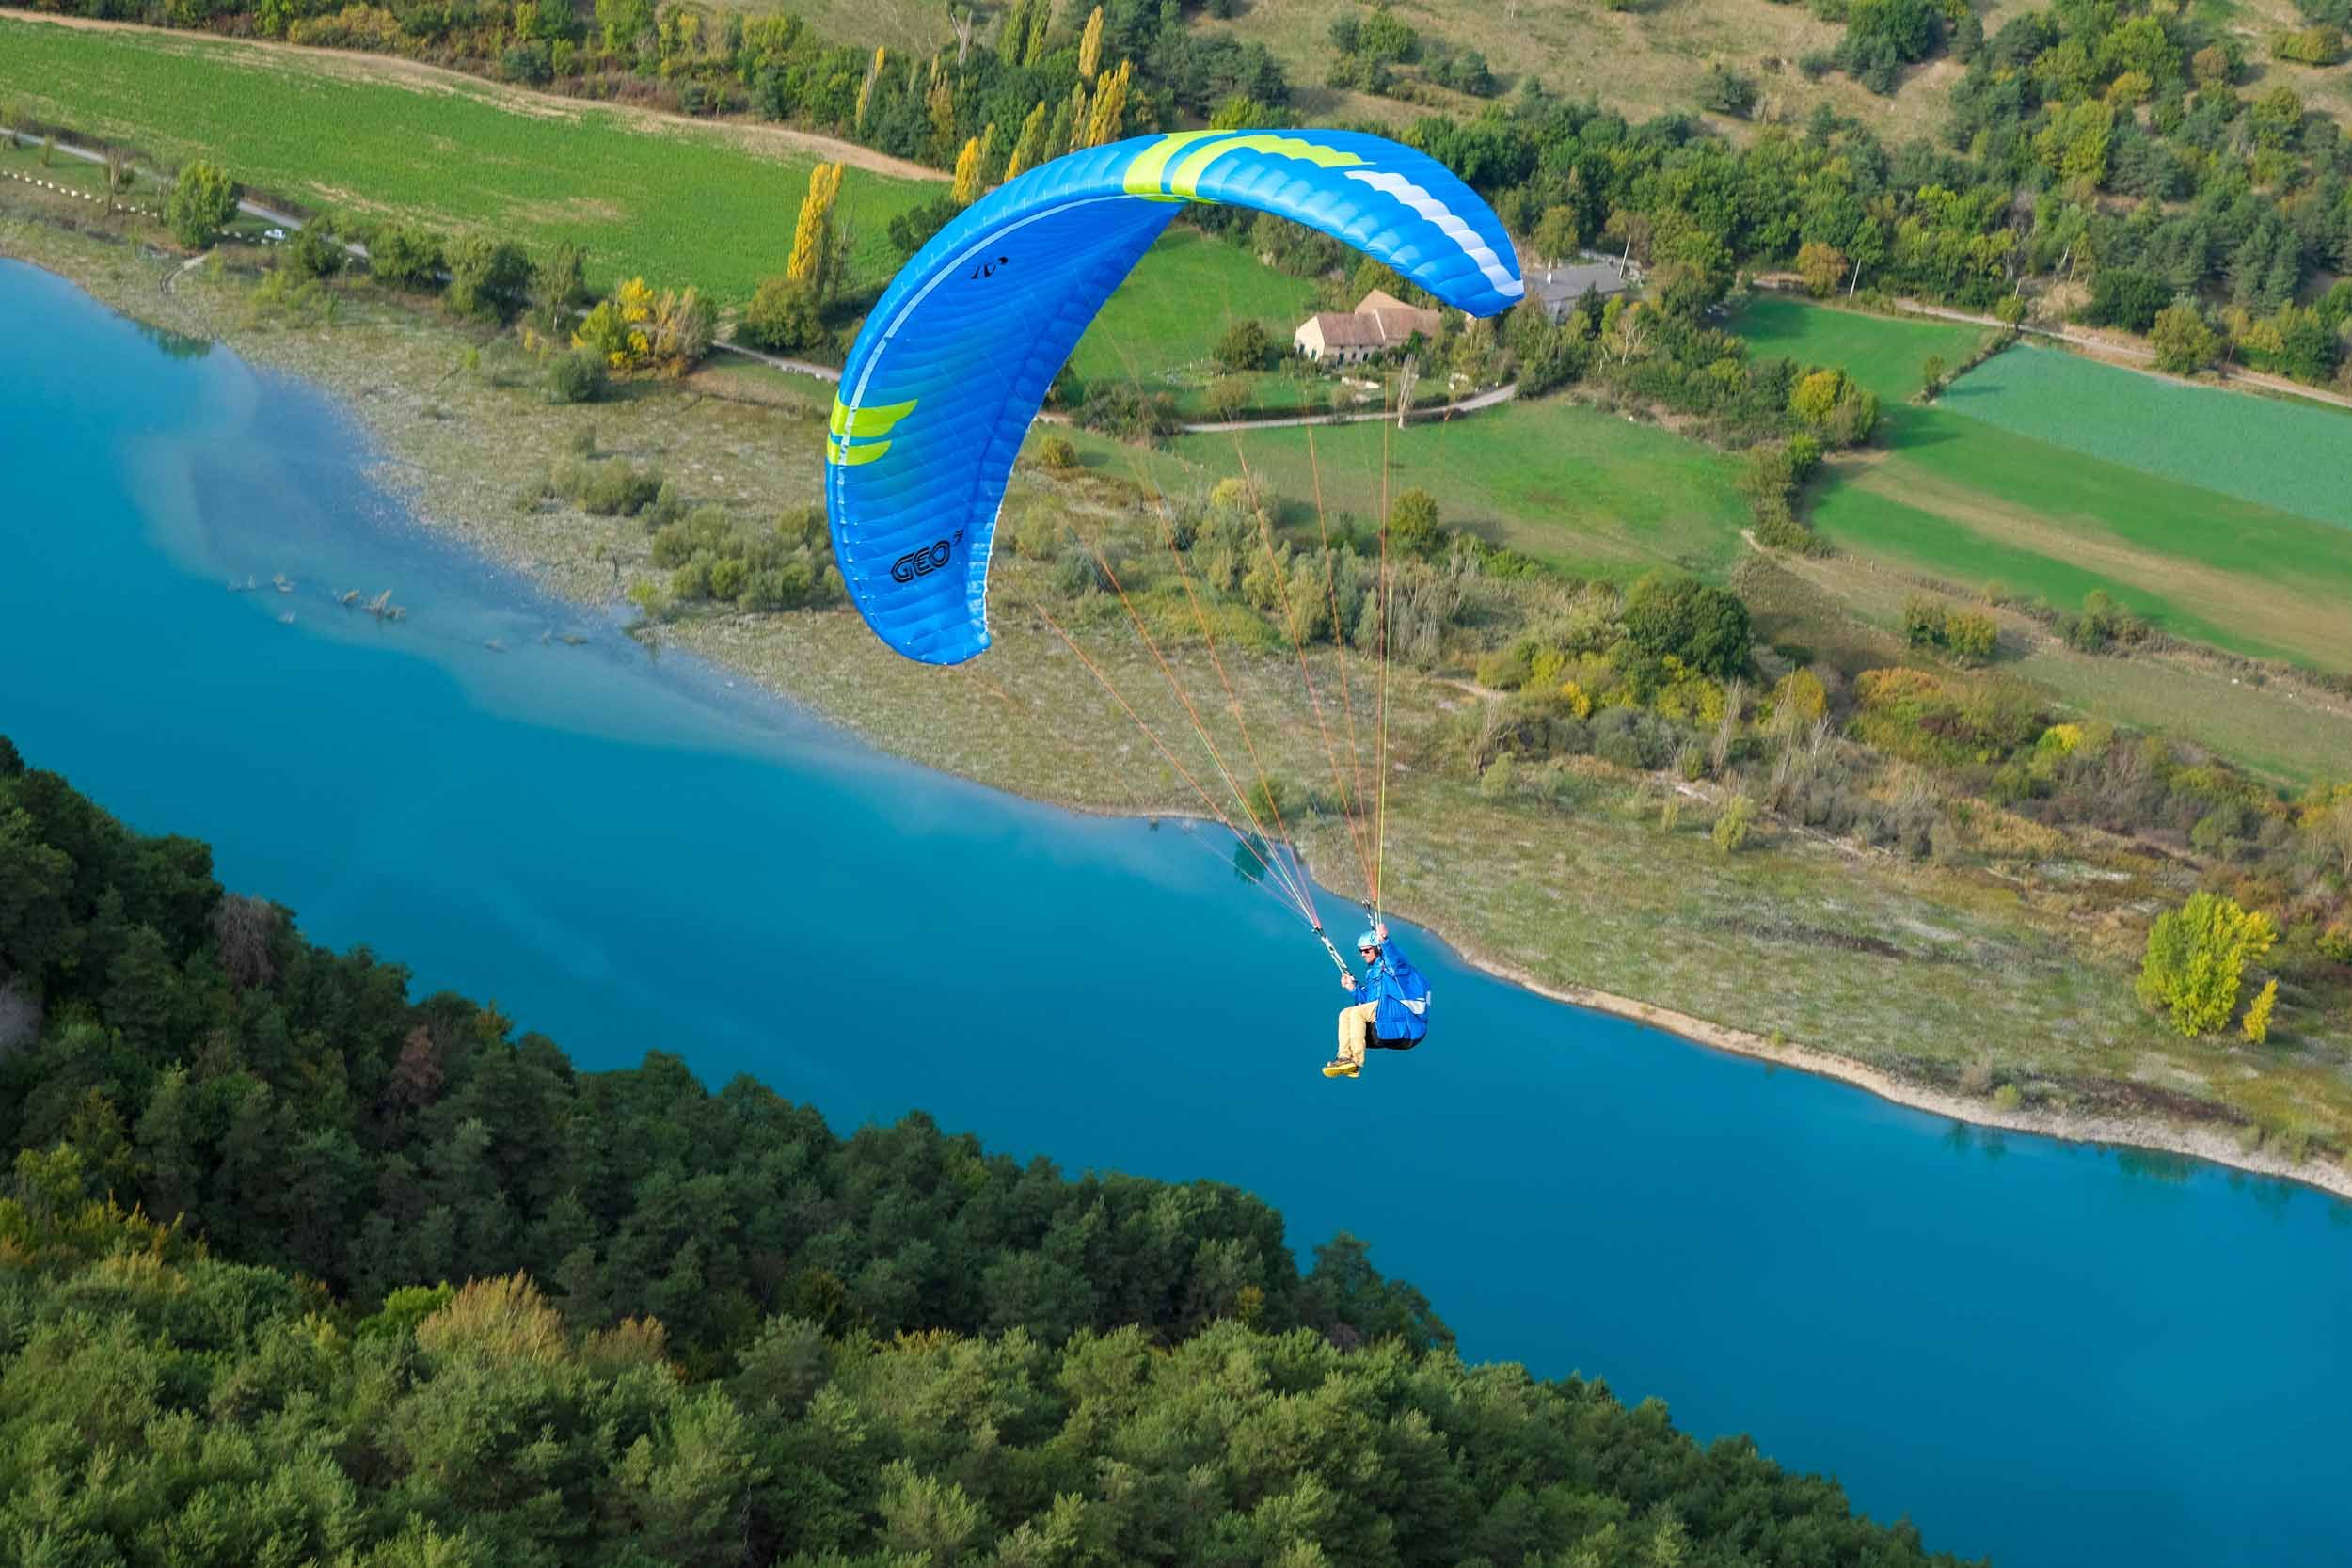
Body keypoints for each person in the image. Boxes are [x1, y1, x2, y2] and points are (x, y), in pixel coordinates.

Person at [1325, 922, 1430, 1079]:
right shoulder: (1373, 973)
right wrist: (1353, 988)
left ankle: (1356, 1061)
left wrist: (1385, 941)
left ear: (1377, 948)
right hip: (1386, 1012)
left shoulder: (1395, 967)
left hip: (1406, 1019)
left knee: (1357, 1013)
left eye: (1367, 950)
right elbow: (1369, 1004)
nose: (1363, 954)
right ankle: (1344, 1058)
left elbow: (1396, 958)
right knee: (1345, 1014)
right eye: (1361, 951)